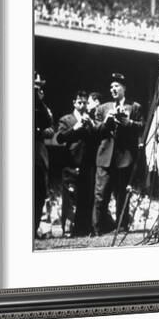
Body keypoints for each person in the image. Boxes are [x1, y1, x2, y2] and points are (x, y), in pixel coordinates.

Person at [92, 73, 144, 235]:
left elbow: (142, 126)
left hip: (124, 158)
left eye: (117, 86)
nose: (113, 89)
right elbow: (95, 131)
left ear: (124, 88)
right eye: (111, 87)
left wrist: (129, 123)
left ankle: (122, 227)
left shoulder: (134, 107)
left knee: (122, 195)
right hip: (105, 157)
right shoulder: (102, 108)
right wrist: (107, 121)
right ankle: (97, 228)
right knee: (101, 195)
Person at [55, 90, 98, 236]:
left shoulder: (90, 119)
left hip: (87, 165)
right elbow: (60, 138)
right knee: (70, 199)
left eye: (85, 103)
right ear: (74, 103)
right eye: (80, 102)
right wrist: (76, 127)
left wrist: (90, 124)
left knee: (86, 198)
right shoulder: (66, 120)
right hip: (70, 164)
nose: (83, 105)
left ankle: (83, 229)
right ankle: (68, 230)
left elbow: (95, 139)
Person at [34, 73, 55, 237]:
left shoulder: (42, 105)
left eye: (39, 85)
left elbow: (49, 125)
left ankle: (33, 229)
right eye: (35, 84)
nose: (37, 87)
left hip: (38, 151)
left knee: (40, 191)